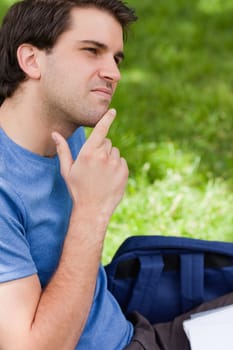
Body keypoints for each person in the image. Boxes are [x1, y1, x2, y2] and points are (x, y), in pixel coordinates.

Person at [0, 1, 232, 349]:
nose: (114, 73)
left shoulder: (67, 130)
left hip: (132, 330)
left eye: (116, 58)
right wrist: (92, 210)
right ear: (31, 60)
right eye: (91, 51)